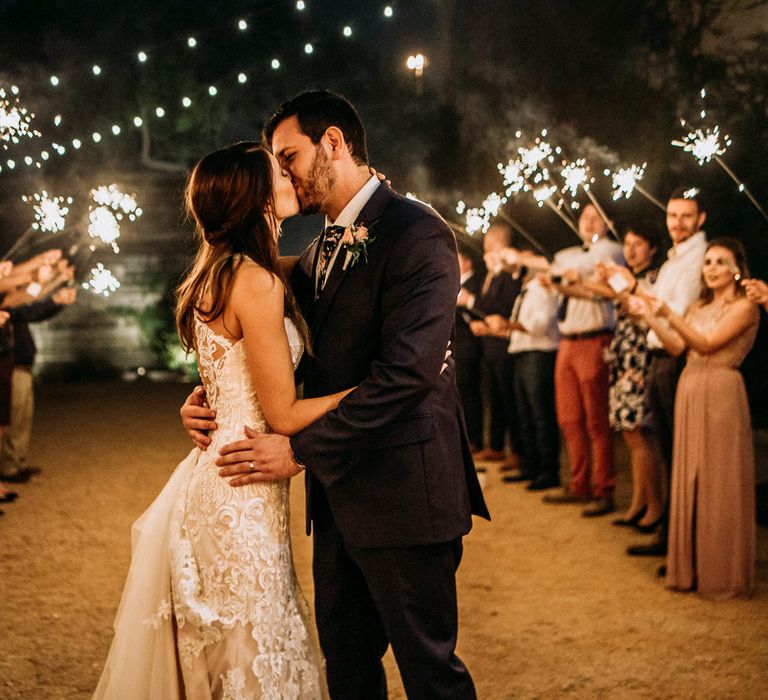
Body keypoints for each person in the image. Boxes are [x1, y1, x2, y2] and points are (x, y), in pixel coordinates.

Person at [181, 91, 488, 699]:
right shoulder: (315, 252)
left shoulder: (417, 233)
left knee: (430, 672)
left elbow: (407, 374)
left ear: (334, 144)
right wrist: (212, 390)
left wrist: (300, 452)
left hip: (405, 491)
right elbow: (245, 329)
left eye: (288, 155)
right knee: (347, 666)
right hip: (340, 499)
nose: (282, 173)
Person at [95, 142, 361, 697]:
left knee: (236, 654)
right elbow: (283, 414)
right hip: (243, 490)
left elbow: (229, 381)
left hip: (218, 478)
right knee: (250, 651)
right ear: (256, 196)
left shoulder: (220, 272)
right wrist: (370, 391)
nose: (287, 173)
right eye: (275, 170)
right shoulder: (255, 282)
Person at [635, 238, 759, 598]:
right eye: (707, 262)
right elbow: (676, 346)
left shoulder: (746, 307)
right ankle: (690, 568)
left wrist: (668, 313)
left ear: (737, 269)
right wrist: (649, 317)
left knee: (719, 481)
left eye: (721, 261)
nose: (712, 267)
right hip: (690, 388)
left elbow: (706, 344)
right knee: (690, 477)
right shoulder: (699, 304)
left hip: (721, 390)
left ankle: (720, 572)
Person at [611, 188, 708, 557]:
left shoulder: (697, 257)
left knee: (674, 452)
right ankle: (671, 534)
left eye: (686, 216)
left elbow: (675, 312)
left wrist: (637, 294)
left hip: (674, 357)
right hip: (657, 355)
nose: (678, 223)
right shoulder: (675, 258)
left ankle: (677, 538)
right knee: (668, 450)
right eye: (672, 216)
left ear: (701, 219)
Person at [541, 203, 623, 517]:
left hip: (595, 338)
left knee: (596, 419)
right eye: (584, 217)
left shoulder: (610, 250)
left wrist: (561, 274)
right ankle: (579, 484)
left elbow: (573, 266)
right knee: (569, 418)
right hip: (568, 341)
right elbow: (556, 268)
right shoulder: (573, 256)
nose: (588, 222)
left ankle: (604, 488)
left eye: (596, 216)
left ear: (608, 222)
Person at [597, 226, 664, 531]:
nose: (631, 250)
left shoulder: (652, 280)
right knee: (630, 435)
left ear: (653, 249)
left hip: (640, 362)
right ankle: (639, 502)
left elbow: (645, 321)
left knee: (640, 436)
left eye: (639, 244)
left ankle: (654, 506)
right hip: (623, 363)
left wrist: (624, 290)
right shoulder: (627, 280)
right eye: (628, 244)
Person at [483, 259, 561, 490]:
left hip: (538, 355)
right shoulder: (524, 292)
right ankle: (530, 465)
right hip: (521, 353)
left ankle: (548, 470)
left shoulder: (542, 289)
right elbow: (519, 329)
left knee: (540, 414)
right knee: (524, 414)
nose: (516, 266)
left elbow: (540, 324)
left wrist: (507, 324)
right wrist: (492, 329)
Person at [467, 222, 523, 468]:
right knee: (495, 399)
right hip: (488, 345)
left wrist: (471, 303)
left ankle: (517, 450)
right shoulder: (489, 275)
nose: (486, 249)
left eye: (492, 244)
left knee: (510, 400)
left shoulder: (510, 276)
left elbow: (503, 309)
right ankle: (496, 445)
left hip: (504, 345)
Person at [455, 244, 484, 453]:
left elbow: (483, 308)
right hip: (458, 347)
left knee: (469, 393)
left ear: (467, 263)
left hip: (468, 346)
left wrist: (467, 301)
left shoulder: (474, 284)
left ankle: (474, 439)